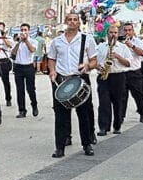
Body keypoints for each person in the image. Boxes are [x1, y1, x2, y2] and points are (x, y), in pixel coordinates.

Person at [46, 11, 98, 158]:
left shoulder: (87, 39)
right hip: (61, 80)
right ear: (66, 21)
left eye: (75, 19)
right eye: (70, 19)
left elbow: (94, 61)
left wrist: (87, 66)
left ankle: (87, 144)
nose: (73, 22)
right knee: (61, 115)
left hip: (80, 79)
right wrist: (52, 71)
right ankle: (60, 147)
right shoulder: (57, 41)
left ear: (79, 22)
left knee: (84, 114)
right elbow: (51, 58)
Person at [95, 25, 133, 137]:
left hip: (118, 76)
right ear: (107, 34)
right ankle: (103, 127)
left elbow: (129, 63)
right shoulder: (101, 47)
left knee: (118, 102)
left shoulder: (123, 47)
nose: (113, 35)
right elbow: (93, 61)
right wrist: (98, 67)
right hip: (104, 76)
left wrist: (118, 56)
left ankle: (117, 126)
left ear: (118, 34)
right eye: (111, 32)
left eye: (115, 33)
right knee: (103, 103)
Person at [119, 21, 143, 122]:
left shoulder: (138, 41)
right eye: (125, 30)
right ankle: (120, 117)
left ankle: (142, 112)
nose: (127, 32)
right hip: (122, 72)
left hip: (134, 72)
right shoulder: (119, 42)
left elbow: (142, 53)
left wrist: (132, 46)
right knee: (122, 96)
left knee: (138, 95)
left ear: (133, 31)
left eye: (129, 30)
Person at [11, 22, 40, 118]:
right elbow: (13, 54)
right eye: (22, 30)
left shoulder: (33, 41)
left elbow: (32, 50)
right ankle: (22, 110)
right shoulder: (16, 41)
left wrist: (26, 40)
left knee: (30, 89)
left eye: (25, 30)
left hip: (28, 67)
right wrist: (19, 42)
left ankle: (34, 105)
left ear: (29, 31)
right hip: (18, 67)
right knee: (20, 90)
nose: (23, 32)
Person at [0, 21, 14, 107]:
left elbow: (10, 45)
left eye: (1, 28)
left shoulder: (8, 37)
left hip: (4, 61)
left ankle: (8, 99)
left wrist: (3, 37)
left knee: (5, 81)